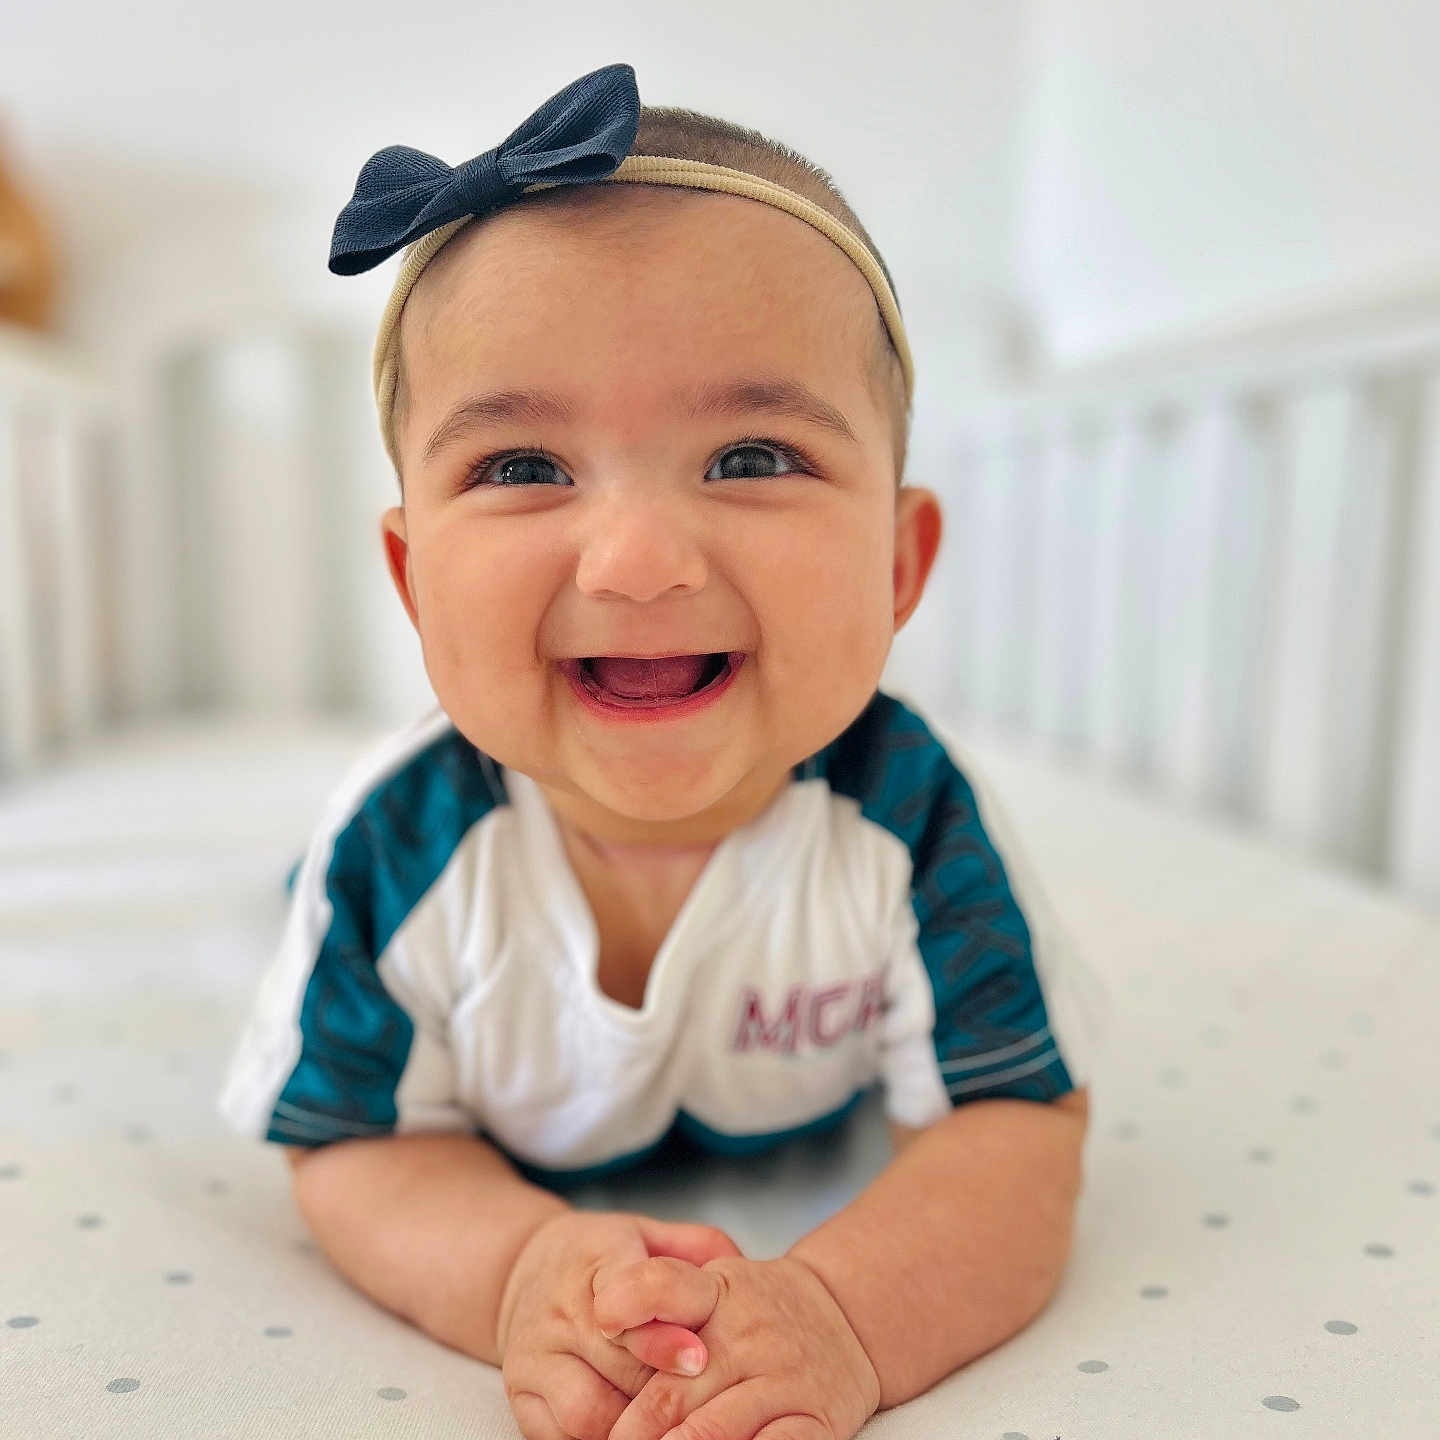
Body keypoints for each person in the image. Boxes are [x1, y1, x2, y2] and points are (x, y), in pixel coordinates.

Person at [217, 63, 1111, 1440]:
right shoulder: (397, 851)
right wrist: (515, 1271)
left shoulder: (912, 822)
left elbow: (1017, 1130)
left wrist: (842, 1316)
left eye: (751, 458)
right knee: (304, 928)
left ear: (897, 564)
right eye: (524, 468)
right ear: (412, 582)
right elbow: (354, 1146)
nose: (637, 562)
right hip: (406, 925)